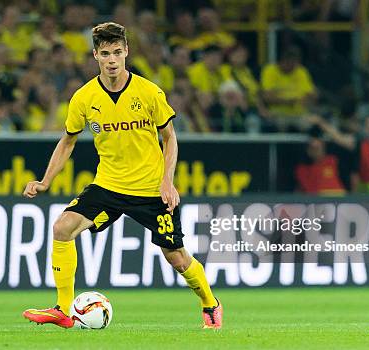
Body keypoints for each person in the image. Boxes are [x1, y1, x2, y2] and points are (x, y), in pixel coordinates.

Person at [21, 22, 222, 329]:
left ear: (126, 51)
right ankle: (62, 309)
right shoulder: (84, 97)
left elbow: (169, 138)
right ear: (95, 55)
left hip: (151, 191)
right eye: (105, 54)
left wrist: (167, 181)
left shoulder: (149, 92)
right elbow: (68, 139)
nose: (112, 60)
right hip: (108, 187)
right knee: (62, 228)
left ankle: (210, 304)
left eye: (117, 52)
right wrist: (46, 180)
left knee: (177, 258)